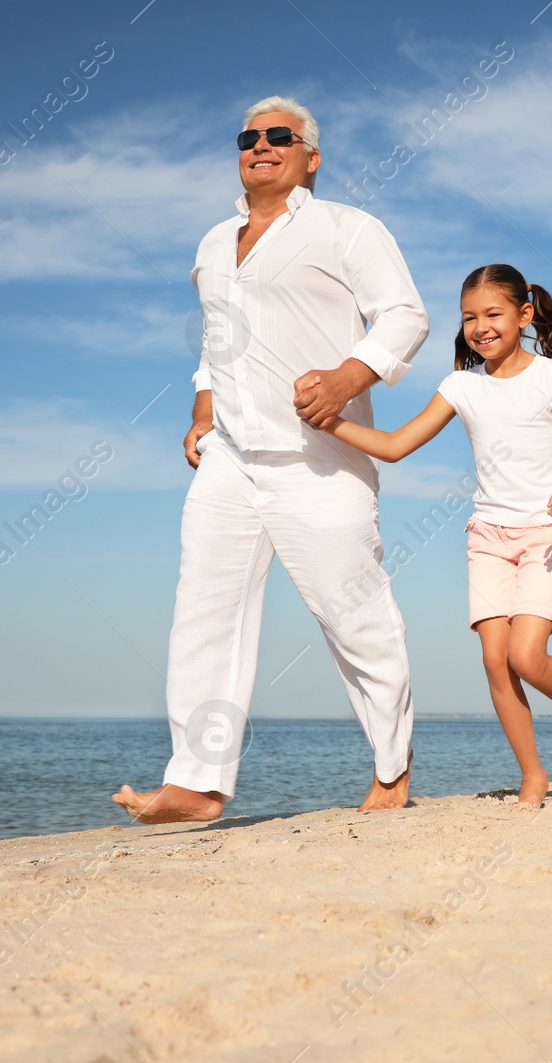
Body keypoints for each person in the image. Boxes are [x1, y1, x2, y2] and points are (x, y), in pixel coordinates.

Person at [112, 96, 429, 824]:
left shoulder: (348, 227)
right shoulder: (213, 242)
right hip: (230, 454)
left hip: (320, 456)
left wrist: (351, 378)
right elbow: (215, 342)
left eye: (280, 135)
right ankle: (197, 781)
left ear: (310, 157)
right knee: (202, 613)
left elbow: (406, 314)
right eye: (249, 136)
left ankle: (392, 767)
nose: (262, 144)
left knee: (354, 616)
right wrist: (202, 407)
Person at [305, 263, 552, 806]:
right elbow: (398, 445)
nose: (480, 326)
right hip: (488, 535)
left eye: (493, 314)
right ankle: (533, 772)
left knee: (526, 656)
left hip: (546, 530)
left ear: (525, 314)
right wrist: (332, 424)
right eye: (470, 317)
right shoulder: (461, 386)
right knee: (495, 658)